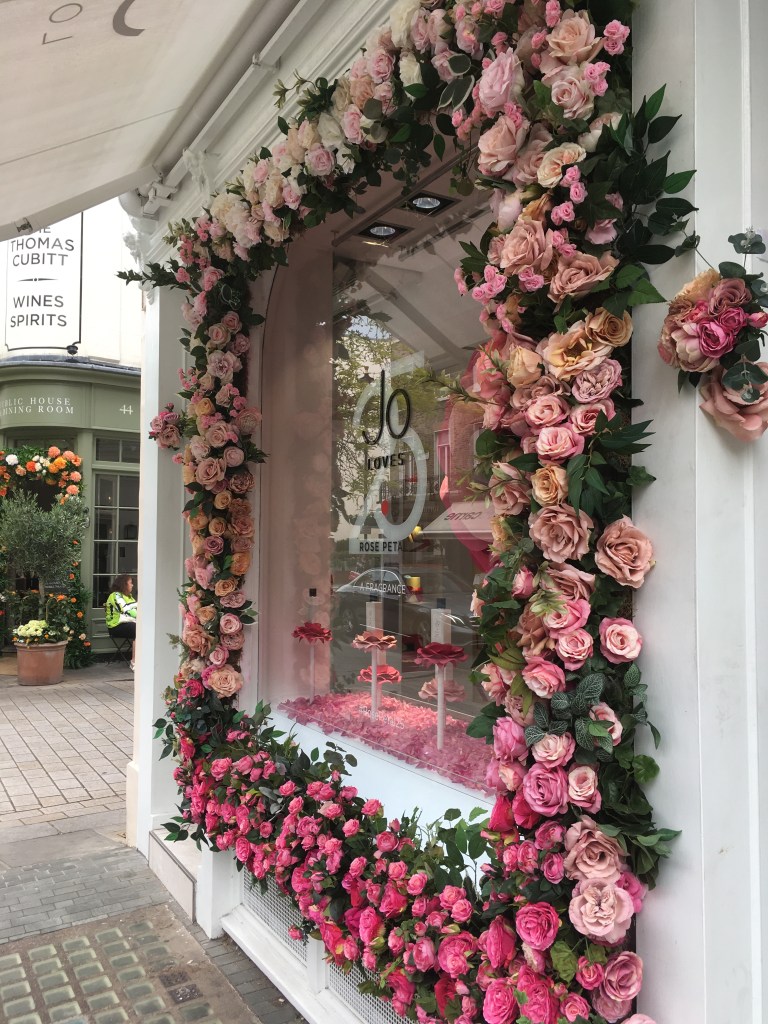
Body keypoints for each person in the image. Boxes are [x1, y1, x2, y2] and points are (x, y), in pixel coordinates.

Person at [105, 574, 138, 669]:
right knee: (138, 629)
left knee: (141, 628)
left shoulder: (129, 597)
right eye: (130, 583)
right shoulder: (115, 596)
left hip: (127, 623)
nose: (132, 585)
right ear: (124, 584)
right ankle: (134, 662)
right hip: (116, 626)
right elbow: (126, 610)